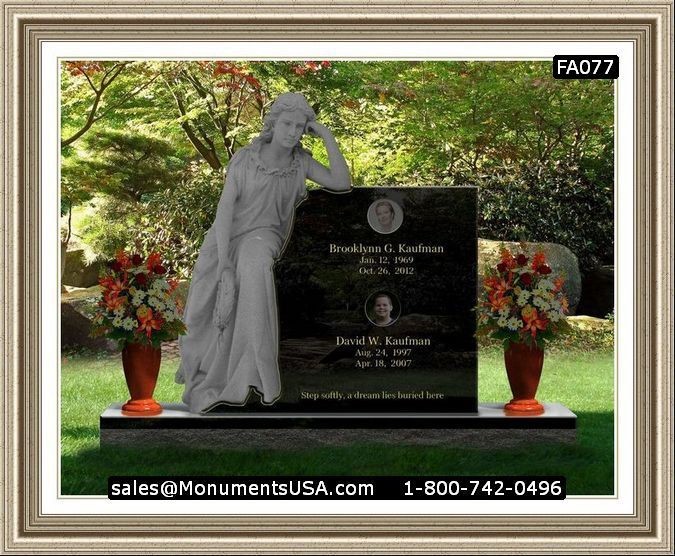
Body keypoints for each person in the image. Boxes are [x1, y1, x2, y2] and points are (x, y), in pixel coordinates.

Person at [176, 93, 351, 412]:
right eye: (287, 123)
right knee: (204, 310)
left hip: (263, 237)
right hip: (224, 239)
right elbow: (225, 208)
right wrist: (224, 264)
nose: (292, 132)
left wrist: (326, 134)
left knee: (254, 266)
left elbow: (341, 181)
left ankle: (252, 375)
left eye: (299, 126)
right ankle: (208, 378)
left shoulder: (301, 163)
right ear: (273, 124)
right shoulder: (245, 158)